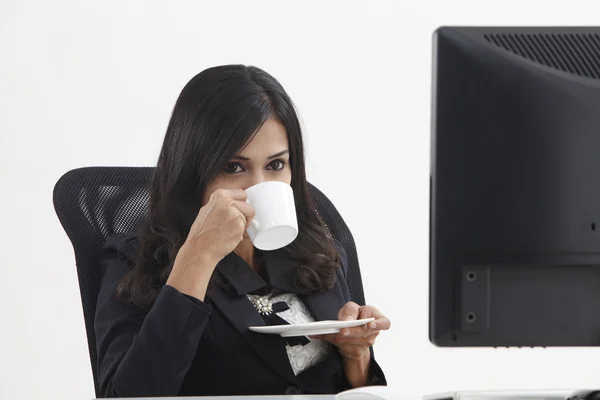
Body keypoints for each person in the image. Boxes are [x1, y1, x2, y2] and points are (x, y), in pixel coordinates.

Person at [94, 65, 391, 398]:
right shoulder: (135, 262)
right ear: (193, 172)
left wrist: (356, 355)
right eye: (234, 167)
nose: (258, 186)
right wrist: (198, 256)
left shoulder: (318, 252)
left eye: (276, 165)